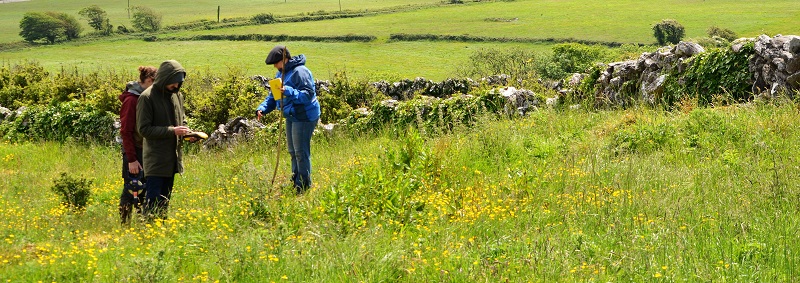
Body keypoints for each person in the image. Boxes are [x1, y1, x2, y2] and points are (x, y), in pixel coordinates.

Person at [256, 45, 321, 194]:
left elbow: (308, 95)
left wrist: (288, 91)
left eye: (276, 63)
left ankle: (303, 186)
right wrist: (262, 109)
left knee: (300, 152)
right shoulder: (281, 73)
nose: (275, 66)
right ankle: (296, 181)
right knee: (292, 151)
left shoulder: (300, 72)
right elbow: (273, 96)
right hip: (291, 115)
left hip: (304, 116)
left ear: (284, 59)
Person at [136, 60, 195, 219]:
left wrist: (187, 133)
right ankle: (148, 228)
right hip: (155, 161)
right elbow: (143, 129)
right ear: (164, 78)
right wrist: (173, 131)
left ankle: (160, 228)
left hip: (172, 160)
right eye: (173, 82)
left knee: (164, 202)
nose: (176, 86)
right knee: (153, 202)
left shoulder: (177, 95)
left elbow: (182, 120)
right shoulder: (146, 98)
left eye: (178, 82)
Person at [119, 65, 157, 224]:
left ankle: (142, 222)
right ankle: (124, 224)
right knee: (132, 187)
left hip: (145, 150)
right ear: (149, 81)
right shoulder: (131, 100)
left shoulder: (145, 98)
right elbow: (126, 131)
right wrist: (132, 159)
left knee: (144, 189)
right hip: (134, 151)